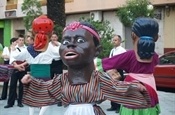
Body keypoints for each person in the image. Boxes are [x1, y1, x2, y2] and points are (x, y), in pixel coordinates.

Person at [21, 21, 151, 115]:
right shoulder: (62, 80)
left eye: (79, 41)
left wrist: (135, 88)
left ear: (96, 50)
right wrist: (31, 82)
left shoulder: (99, 79)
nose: (70, 45)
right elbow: (47, 89)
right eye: (65, 42)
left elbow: (116, 88)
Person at [95, 17, 161, 115]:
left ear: (133, 35)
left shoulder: (129, 55)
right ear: (155, 38)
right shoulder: (155, 56)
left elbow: (105, 63)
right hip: (150, 88)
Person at [11, 15, 58, 115]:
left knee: (32, 97)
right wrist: (57, 43)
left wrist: (13, 48)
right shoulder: (49, 47)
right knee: (47, 98)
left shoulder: (29, 49)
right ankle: (40, 114)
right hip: (45, 76)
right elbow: (60, 54)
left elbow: (16, 56)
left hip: (33, 76)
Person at [4, 35, 27, 108]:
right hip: (15, 68)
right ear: (17, 41)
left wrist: (22, 65)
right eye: (19, 40)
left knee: (21, 86)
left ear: (24, 41)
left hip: (23, 68)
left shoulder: (26, 49)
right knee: (12, 86)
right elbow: (12, 58)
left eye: (22, 40)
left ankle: (20, 102)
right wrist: (16, 66)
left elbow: (28, 59)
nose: (21, 41)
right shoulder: (13, 48)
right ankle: (10, 103)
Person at [106, 34, 126, 113]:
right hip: (112, 71)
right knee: (112, 89)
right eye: (113, 40)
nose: (114, 42)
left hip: (119, 71)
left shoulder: (122, 50)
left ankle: (119, 106)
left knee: (118, 89)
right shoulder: (112, 50)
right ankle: (113, 105)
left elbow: (123, 62)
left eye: (116, 40)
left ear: (120, 41)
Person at [48, 31, 63, 106]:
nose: (53, 38)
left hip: (58, 63)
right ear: (50, 38)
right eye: (52, 37)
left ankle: (59, 99)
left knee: (58, 81)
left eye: (55, 37)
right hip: (50, 63)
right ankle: (50, 99)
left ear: (57, 38)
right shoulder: (48, 45)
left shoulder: (60, 45)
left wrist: (59, 45)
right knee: (50, 81)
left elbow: (62, 52)